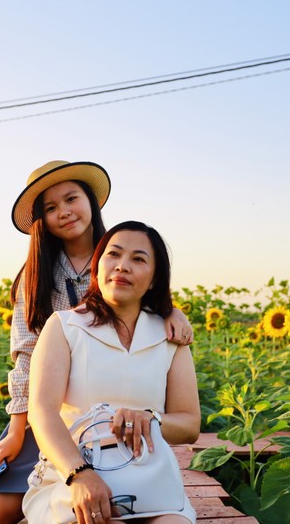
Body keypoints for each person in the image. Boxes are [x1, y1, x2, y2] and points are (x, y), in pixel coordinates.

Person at [0, 162, 194, 524]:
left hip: (110, 407)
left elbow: (149, 303)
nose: (63, 212)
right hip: (52, 403)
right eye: (50, 207)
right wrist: (16, 433)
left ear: (91, 201)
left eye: (71, 198)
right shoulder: (37, 275)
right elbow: (26, 354)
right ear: (41, 221)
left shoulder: (117, 254)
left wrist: (174, 312)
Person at [23, 220, 201, 523]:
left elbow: (189, 424)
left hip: (149, 479)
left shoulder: (170, 337)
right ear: (97, 266)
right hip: (72, 475)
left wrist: (150, 418)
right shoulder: (65, 326)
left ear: (155, 278)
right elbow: (41, 412)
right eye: (113, 255)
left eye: (138, 259)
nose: (122, 266)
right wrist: (79, 475)